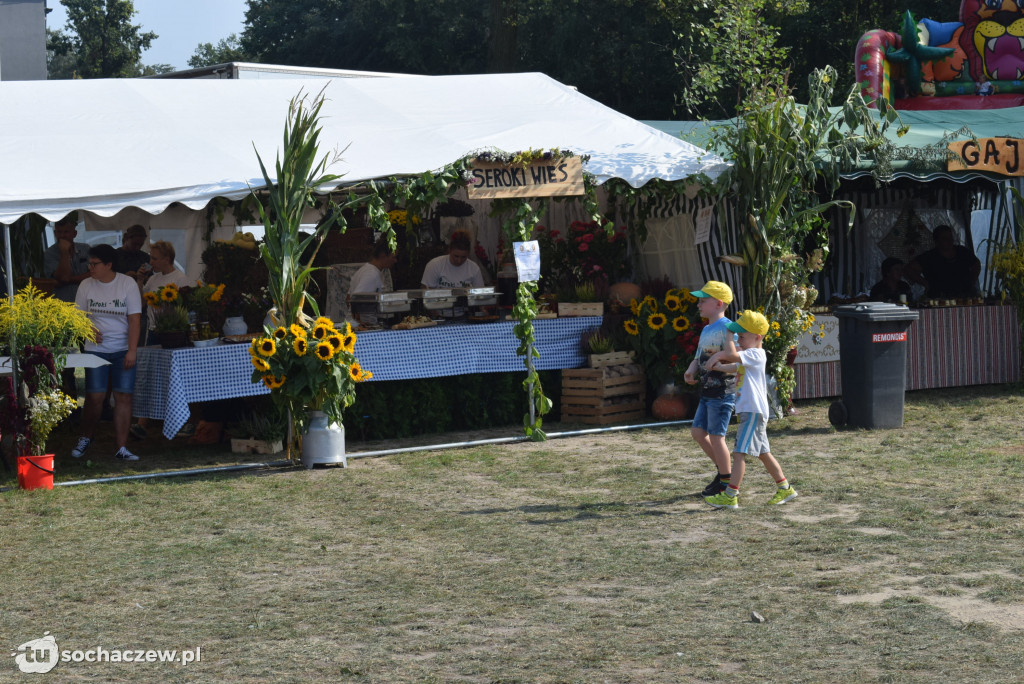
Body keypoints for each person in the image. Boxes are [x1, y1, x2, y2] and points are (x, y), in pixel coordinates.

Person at [702, 310, 798, 509]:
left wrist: (728, 334)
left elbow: (731, 355)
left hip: (753, 412)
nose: (739, 340)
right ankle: (785, 488)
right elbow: (735, 366)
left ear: (758, 337)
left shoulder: (756, 353)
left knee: (739, 453)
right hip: (751, 411)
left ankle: (730, 495)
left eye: (742, 336)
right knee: (763, 453)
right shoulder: (749, 356)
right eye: (737, 336)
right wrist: (718, 367)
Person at [72, 244, 143, 462]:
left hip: (122, 349)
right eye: (89, 264)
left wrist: (132, 350)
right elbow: (77, 317)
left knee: (123, 396)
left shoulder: (127, 283)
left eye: (95, 264)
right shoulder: (85, 285)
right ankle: (86, 437)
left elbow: (134, 319)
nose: (90, 268)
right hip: (96, 350)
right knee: (95, 397)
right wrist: (88, 329)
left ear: (109, 265)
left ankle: (121, 447)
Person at [683, 280, 738, 497]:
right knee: (698, 433)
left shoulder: (729, 328)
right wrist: (691, 369)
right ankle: (725, 473)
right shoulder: (706, 329)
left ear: (718, 303)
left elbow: (740, 359)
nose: (698, 305)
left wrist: (723, 365)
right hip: (707, 391)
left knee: (717, 436)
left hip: (723, 392)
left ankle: (726, 482)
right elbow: (699, 356)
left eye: (702, 301)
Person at [905, 225, 981, 299]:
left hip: (965, 296)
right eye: (945, 238)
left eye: (950, 237)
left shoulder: (962, 252)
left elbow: (976, 264)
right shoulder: (929, 257)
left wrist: (972, 281)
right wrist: (926, 284)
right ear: (937, 241)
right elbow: (909, 269)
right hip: (939, 297)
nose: (949, 241)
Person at [43, 214, 91, 303]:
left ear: (74, 233)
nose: (62, 235)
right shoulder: (49, 254)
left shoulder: (86, 249)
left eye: (66, 232)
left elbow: (94, 274)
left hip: (87, 301)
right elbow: (64, 277)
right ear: (55, 233)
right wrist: (64, 253)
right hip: (64, 304)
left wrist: (69, 279)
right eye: (59, 232)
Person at [420, 230, 484, 289]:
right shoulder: (434, 265)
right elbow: (425, 291)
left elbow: (480, 293)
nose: (459, 261)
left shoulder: (474, 268)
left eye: (463, 257)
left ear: (468, 254)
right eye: (456, 256)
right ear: (449, 250)